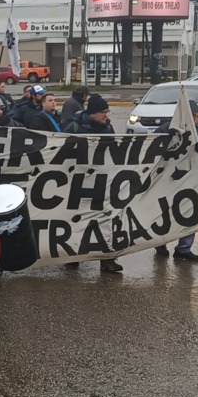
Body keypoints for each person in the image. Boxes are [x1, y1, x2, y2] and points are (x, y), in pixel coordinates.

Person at [63, 94, 123, 273]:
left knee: (106, 220)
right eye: (103, 111)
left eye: (107, 111)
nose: (106, 115)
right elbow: (61, 151)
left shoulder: (108, 126)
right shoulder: (74, 127)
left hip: (104, 180)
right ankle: (72, 257)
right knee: (78, 221)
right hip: (79, 182)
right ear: (92, 113)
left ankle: (107, 260)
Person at [154, 100, 198, 262]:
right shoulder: (166, 130)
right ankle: (160, 243)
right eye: (195, 116)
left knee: (189, 213)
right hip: (166, 181)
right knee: (164, 213)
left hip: (189, 182)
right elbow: (151, 149)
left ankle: (184, 248)